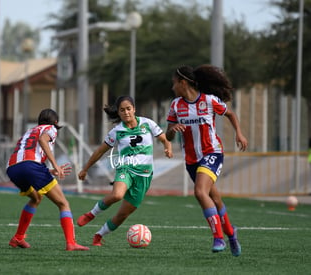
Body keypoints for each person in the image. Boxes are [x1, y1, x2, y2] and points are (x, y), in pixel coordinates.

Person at [166, 65, 248, 257]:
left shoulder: (209, 101)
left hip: (212, 153)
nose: (172, 88)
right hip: (191, 159)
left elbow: (230, 114)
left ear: (183, 82)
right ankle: (231, 233)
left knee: (200, 192)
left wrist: (239, 133)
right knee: (215, 199)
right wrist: (173, 129)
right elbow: (168, 136)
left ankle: (218, 237)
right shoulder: (176, 105)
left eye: (174, 83)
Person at [77, 95, 173, 246]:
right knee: (116, 195)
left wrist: (168, 148)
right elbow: (100, 151)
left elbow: (164, 139)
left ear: (134, 109)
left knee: (122, 215)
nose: (126, 112)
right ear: (119, 113)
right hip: (125, 168)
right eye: (122, 110)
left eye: (128, 109)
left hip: (144, 176)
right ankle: (91, 214)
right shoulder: (117, 131)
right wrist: (85, 169)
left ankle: (99, 235)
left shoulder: (147, 124)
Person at [6, 108, 89, 251]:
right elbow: (42, 140)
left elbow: (28, 154)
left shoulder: (30, 131)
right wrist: (56, 166)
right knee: (63, 203)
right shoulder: (51, 128)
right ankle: (71, 243)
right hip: (31, 166)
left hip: (12, 168)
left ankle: (18, 238)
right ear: (56, 122)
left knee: (36, 198)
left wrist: (48, 170)